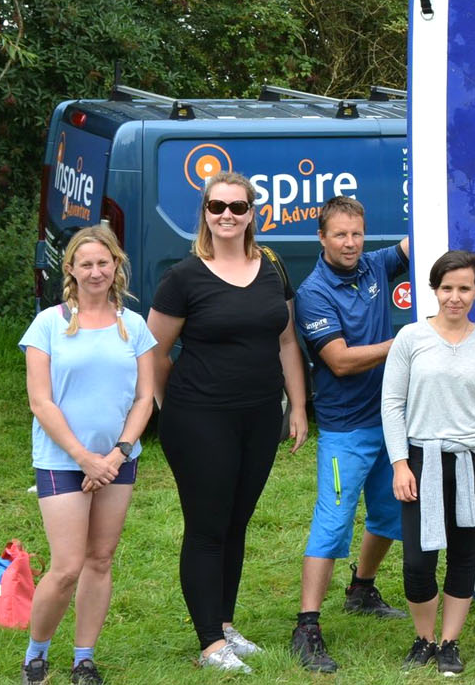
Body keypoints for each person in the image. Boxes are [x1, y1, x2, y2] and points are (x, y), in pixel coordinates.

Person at [148, 171, 309, 673]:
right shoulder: (185, 276)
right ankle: (209, 644)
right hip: (200, 418)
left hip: (260, 415)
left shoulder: (272, 268)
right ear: (205, 212)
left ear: (251, 213)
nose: (227, 216)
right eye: (217, 207)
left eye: (237, 207)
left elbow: (286, 341)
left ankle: (224, 624)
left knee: (236, 523)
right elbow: (151, 348)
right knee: (207, 527)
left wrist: (298, 406)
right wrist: (166, 401)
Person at [19, 225, 156, 685]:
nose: (96, 271)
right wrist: (84, 458)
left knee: (100, 559)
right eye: (86, 264)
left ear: (116, 265)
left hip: (117, 460)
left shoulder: (133, 326)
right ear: (71, 270)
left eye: (104, 262)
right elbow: (41, 402)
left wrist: (117, 454)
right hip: (63, 460)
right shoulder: (48, 324)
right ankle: (36, 653)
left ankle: (84, 658)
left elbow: (144, 398)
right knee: (66, 567)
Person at [290, 196, 410, 674]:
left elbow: (416, 241)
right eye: (340, 234)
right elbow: (338, 360)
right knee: (333, 522)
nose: (350, 243)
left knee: (390, 511)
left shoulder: (374, 265)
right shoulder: (313, 292)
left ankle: (361, 588)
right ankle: (306, 627)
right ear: (322, 238)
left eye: (357, 233)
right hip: (345, 430)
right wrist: (402, 344)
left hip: (389, 420)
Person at [381, 250, 475, 677]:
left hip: (474, 461)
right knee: (417, 563)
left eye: (464, 288)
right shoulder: (410, 339)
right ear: (434, 289)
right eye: (446, 288)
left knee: (463, 557)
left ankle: (449, 643)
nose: (454, 297)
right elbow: (392, 404)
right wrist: (401, 463)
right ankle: (423, 638)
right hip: (422, 461)